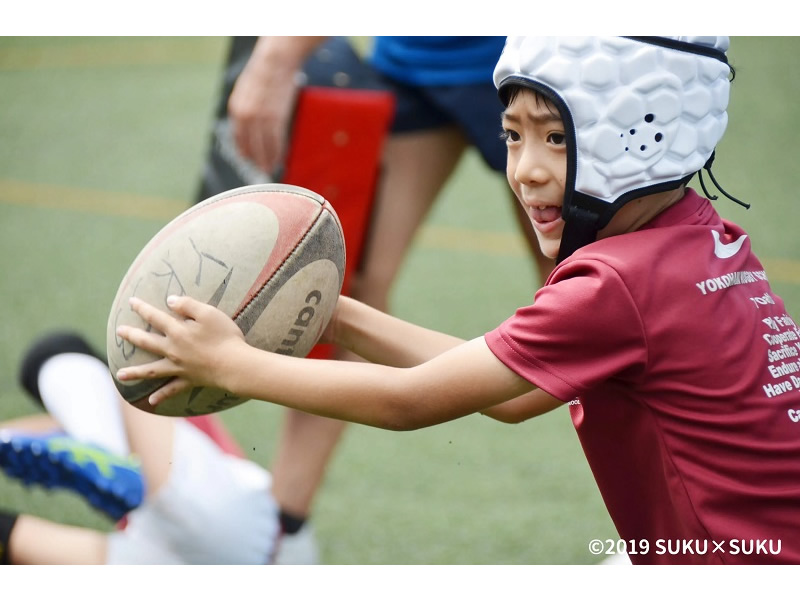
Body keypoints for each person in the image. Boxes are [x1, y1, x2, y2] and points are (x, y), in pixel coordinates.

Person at [118, 36, 800, 565]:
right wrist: (331, 313)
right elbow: (507, 391)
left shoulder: (616, 283)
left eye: (557, 138)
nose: (526, 169)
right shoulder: (700, 240)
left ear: (646, 128)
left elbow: (410, 401)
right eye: (513, 136)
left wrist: (232, 366)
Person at [197, 36, 555, 549]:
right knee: (341, 283)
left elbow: (450, 402)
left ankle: (658, 537)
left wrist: (277, 55)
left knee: (580, 291)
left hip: (535, 63)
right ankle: (280, 532)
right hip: (413, 62)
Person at [0, 331, 282, 565]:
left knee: (57, 353)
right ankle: (102, 452)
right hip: (219, 539)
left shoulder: (154, 409)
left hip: (223, 525)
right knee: (59, 353)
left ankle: (102, 451)